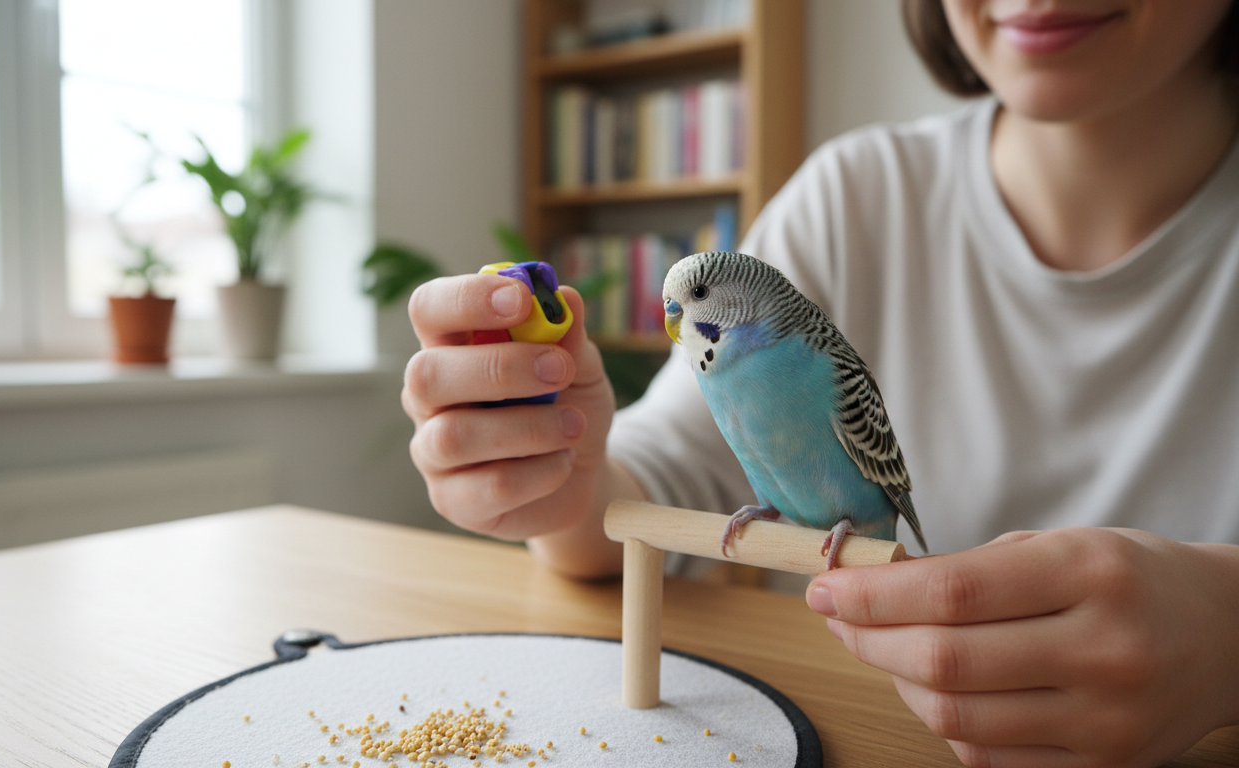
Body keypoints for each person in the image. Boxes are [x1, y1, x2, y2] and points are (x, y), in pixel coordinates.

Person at [401, 0, 1239, 765]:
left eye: (691, 301)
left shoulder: (824, 325)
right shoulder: (844, 198)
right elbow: (650, 483)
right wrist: (558, 462)